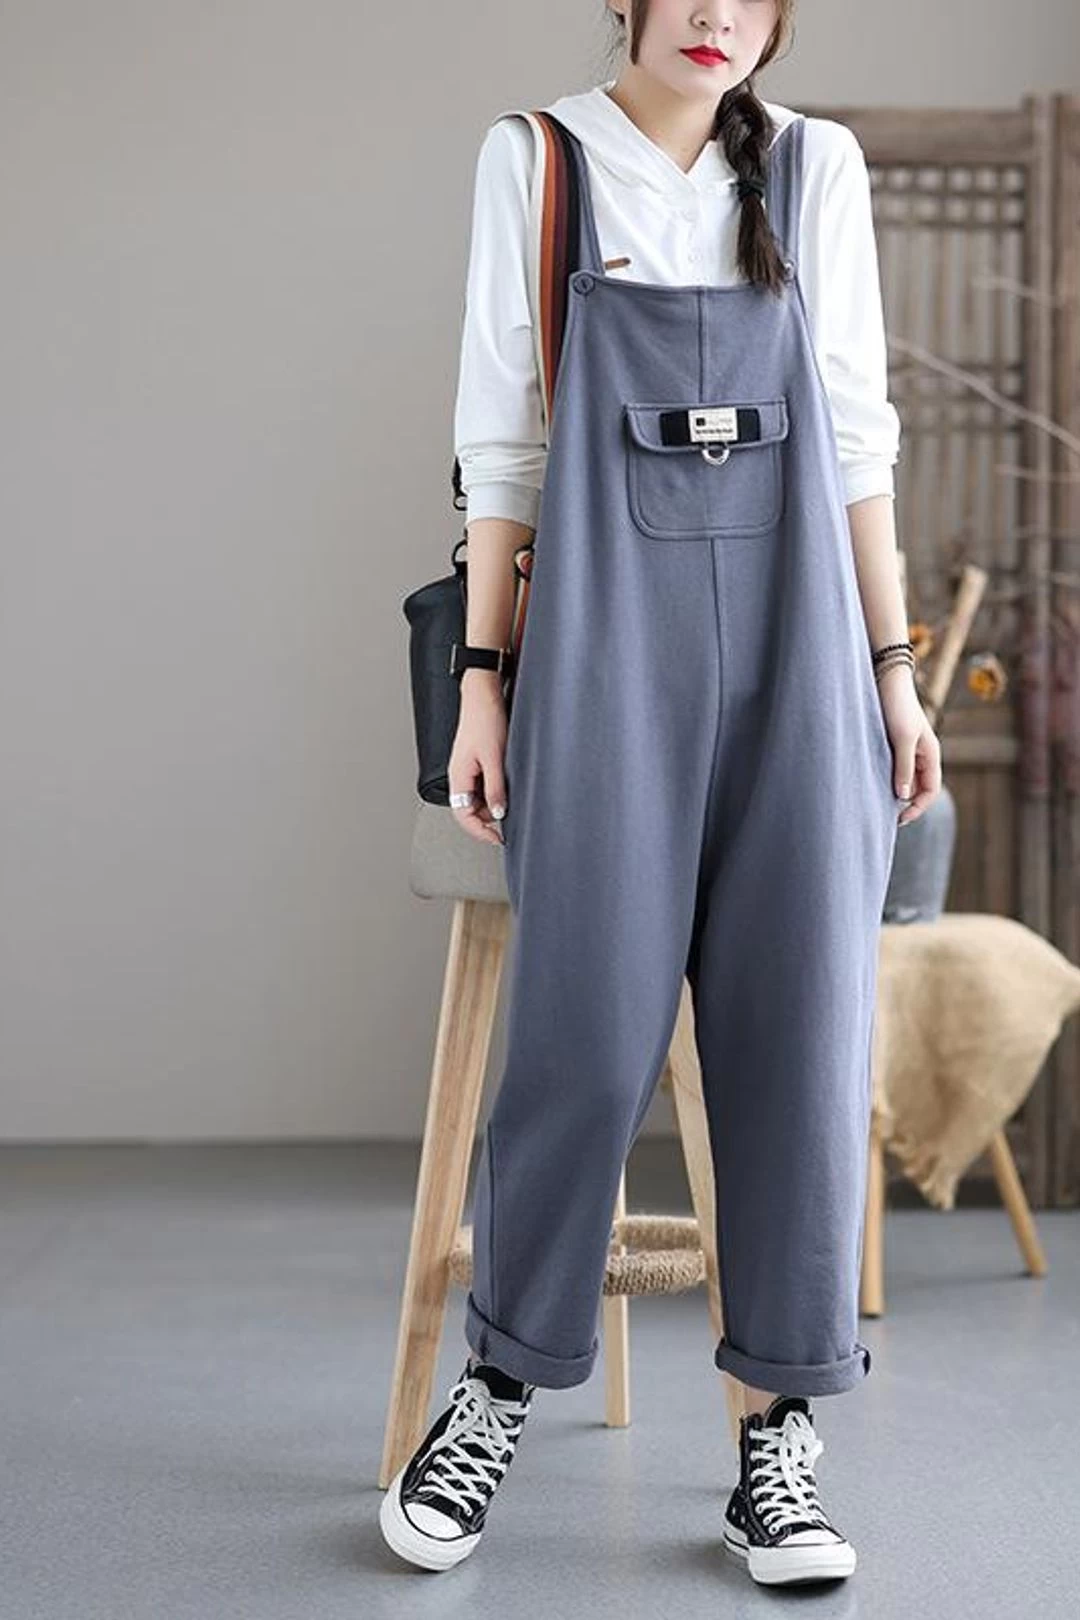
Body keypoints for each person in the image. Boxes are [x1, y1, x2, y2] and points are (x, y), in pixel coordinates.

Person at [380, 0, 942, 1586]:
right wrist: (483, 684)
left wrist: (894, 673)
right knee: (580, 1026)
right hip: (601, 648)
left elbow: (857, 441)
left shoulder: (817, 168)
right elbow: (503, 448)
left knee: (803, 1038)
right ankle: (495, 1392)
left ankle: (779, 1444)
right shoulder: (541, 161)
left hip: (804, 651)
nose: (713, 16)